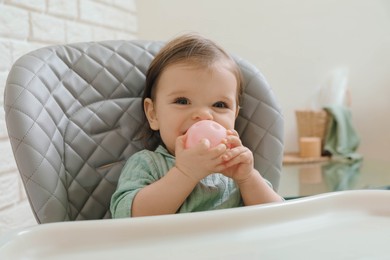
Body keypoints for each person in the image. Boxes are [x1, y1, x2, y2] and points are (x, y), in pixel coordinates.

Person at [110, 33, 283, 218]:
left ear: (235, 116)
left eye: (219, 105)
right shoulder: (148, 164)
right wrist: (185, 173)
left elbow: (279, 218)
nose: (204, 115)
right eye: (182, 101)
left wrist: (248, 178)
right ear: (153, 114)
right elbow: (126, 217)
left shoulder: (236, 169)